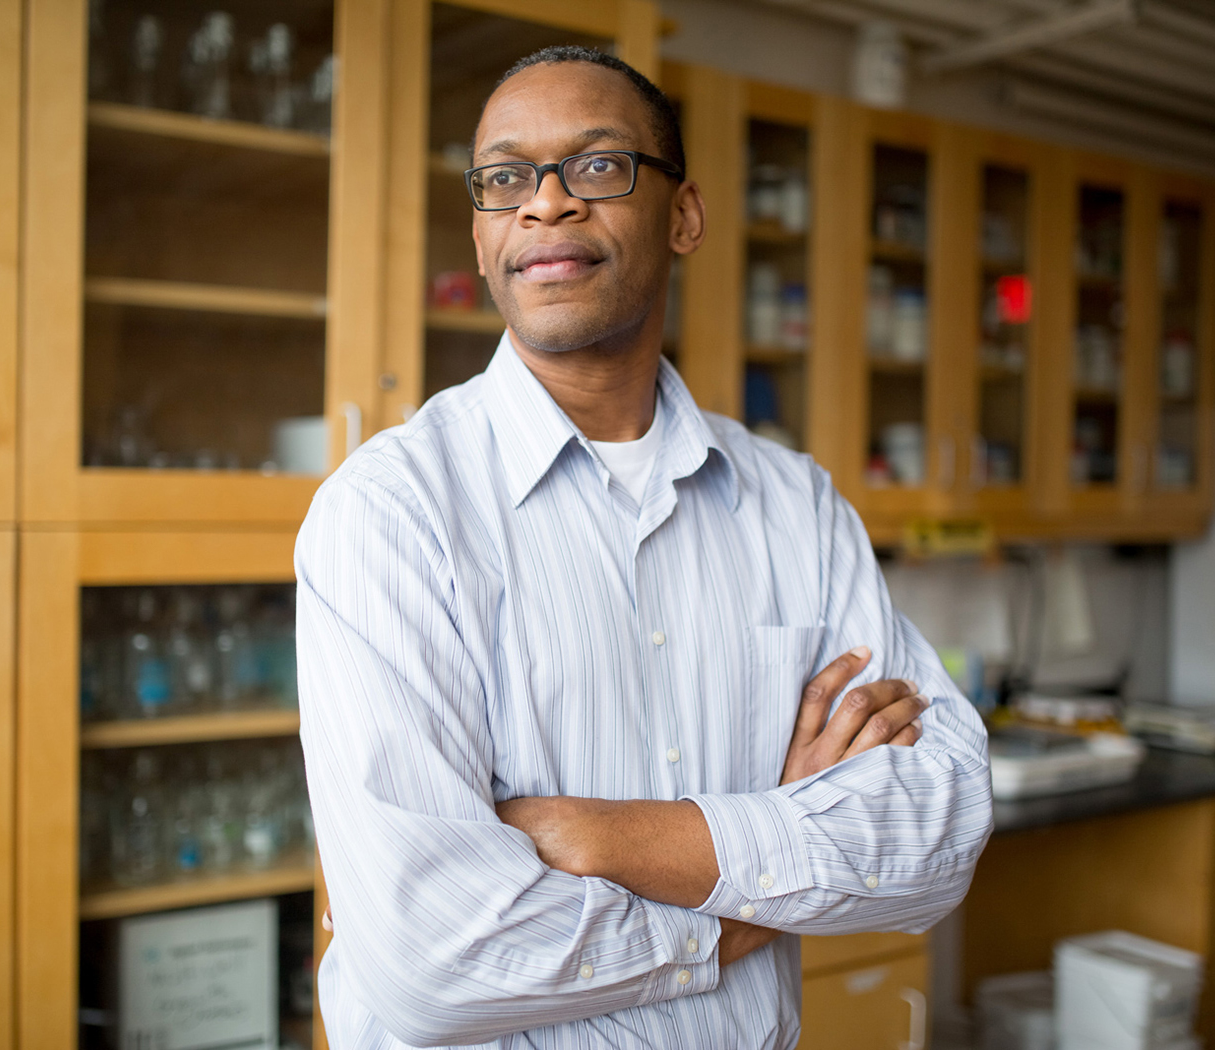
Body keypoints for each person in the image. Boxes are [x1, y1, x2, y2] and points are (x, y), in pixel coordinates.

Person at [295, 45, 992, 1049]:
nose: (545, 204)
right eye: (505, 178)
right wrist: (768, 877)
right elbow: (434, 960)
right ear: (484, 233)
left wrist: (608, 838)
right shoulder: (389, 515)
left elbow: (940, 828)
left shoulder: (796, 506)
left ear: (683, 215)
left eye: (596, 166)